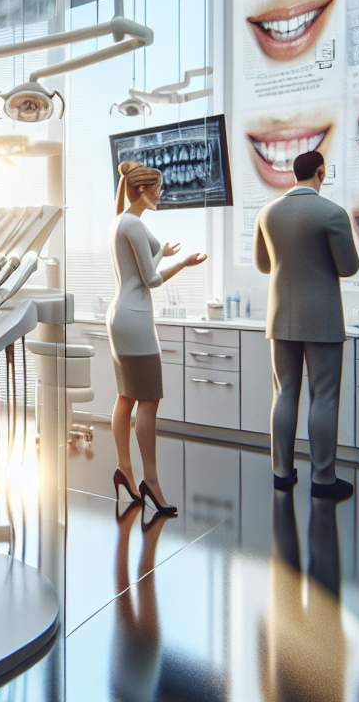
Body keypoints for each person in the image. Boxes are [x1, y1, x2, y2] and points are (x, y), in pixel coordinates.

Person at [254, 149, 359, 501]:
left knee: (284, 392)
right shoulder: (332, 213)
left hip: (280, 315)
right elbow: (348, 267)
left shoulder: (267, 213)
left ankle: (281, 473)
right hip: (323, 318)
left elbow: (264, 265)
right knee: (324, 396)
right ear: (320, 172)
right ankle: (323, 479)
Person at [108, 161, 207, 517]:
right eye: (157, 188)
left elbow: (138, 266)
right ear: (141, 190)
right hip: (134, 318)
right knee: (148, 401)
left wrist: (162, 252)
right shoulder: (133, 224)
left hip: (121, 316)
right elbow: (149, 280)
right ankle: (151, 481)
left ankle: (125, 469)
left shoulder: (121, 220)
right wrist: (182, 263)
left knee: (126, 397)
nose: (160, 194)